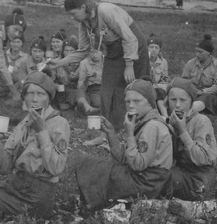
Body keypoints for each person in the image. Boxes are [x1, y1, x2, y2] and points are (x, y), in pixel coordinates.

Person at [49, 0, 149, 130]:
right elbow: (84, 50)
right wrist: (60, 62)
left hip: (134, 47)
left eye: (73, 13)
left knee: (138, 88)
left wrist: (129, 65)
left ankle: (141, 128)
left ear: (83, 7)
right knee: (107, 91)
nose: (72, 17)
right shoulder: (83, 24)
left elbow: (129, 38)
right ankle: (106, 134)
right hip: (113, 51)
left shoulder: (106, 11)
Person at [0, 72, 69, 219]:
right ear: (24, 97)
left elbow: (56, 168)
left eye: (41, 94)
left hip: (37, 196)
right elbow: (3, 168)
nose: (35, 99)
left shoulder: (59, 123)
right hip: (15, 186)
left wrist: (41, 131)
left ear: (49, 98)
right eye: (30, 93)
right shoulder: (24, 123)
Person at [73, 80, 174, 213]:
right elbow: (124, 158)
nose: (131, 106)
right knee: (94, 165)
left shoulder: (152, 126)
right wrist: (111, 133)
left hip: (147, 183)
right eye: (128, 101)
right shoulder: (143, 121)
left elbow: (138, 165)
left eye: (137, 101)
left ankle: (90, 204)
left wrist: (130, 133)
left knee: (88, 164)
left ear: (150, 102)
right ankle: (90, 202)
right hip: (145, 179)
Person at [160, 78, 217, 201]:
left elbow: (202, 159)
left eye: (183, 100)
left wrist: (183, 132)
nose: (178, 105)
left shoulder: (201, 121)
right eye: (173, 100)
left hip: (199, 179)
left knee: (160, 177)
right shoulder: (172, 121)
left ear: (191, 102)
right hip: (180, 172)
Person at [180, 35, 217, 114]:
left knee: (205, 98)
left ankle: (188, 112)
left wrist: (202, 91)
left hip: (209, 95)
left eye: (200, 52)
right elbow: (184, 81)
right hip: (192, 92)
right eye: (196, 51)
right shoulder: (190, 63)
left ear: (209, 53)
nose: (197, 54)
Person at [74, 48, 103, 114]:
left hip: (106, 88)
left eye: (96, 52)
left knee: (100, 102)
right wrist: (87, 78)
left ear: (101, 51)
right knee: (97, 102)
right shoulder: (84, 63)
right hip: (93, 89)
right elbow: (80, 84)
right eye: (91, 52)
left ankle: (83, 108)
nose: (94, 55)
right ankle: (87, 108)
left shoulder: (107, 61)